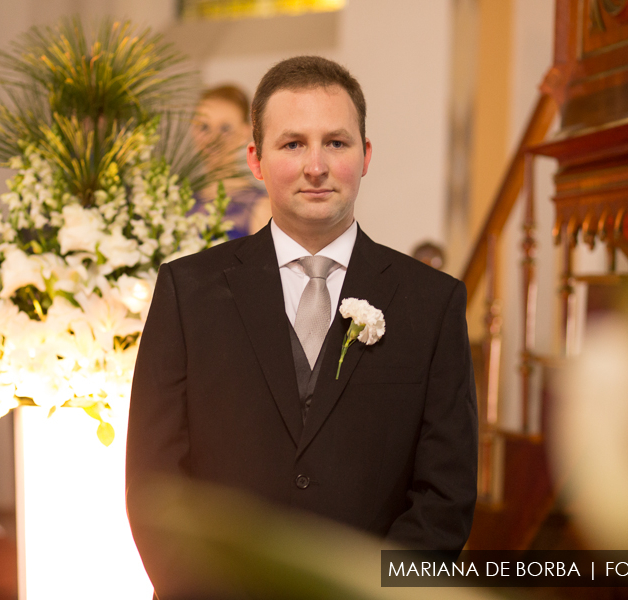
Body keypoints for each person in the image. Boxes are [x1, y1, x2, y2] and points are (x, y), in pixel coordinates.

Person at [126, 56, 478, 598]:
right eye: (293, 144)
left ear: (365, 157)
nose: (316, 166)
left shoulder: (432, 304)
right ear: (256, 159)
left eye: (336, 143)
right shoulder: (186, 292)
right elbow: (154, 481)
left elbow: (445, 495)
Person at [190, 84, 272, 238]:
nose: (212, 139)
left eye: (225, 128)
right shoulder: (180, 204)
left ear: (245, 133)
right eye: (204, 127)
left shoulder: (260, 208)